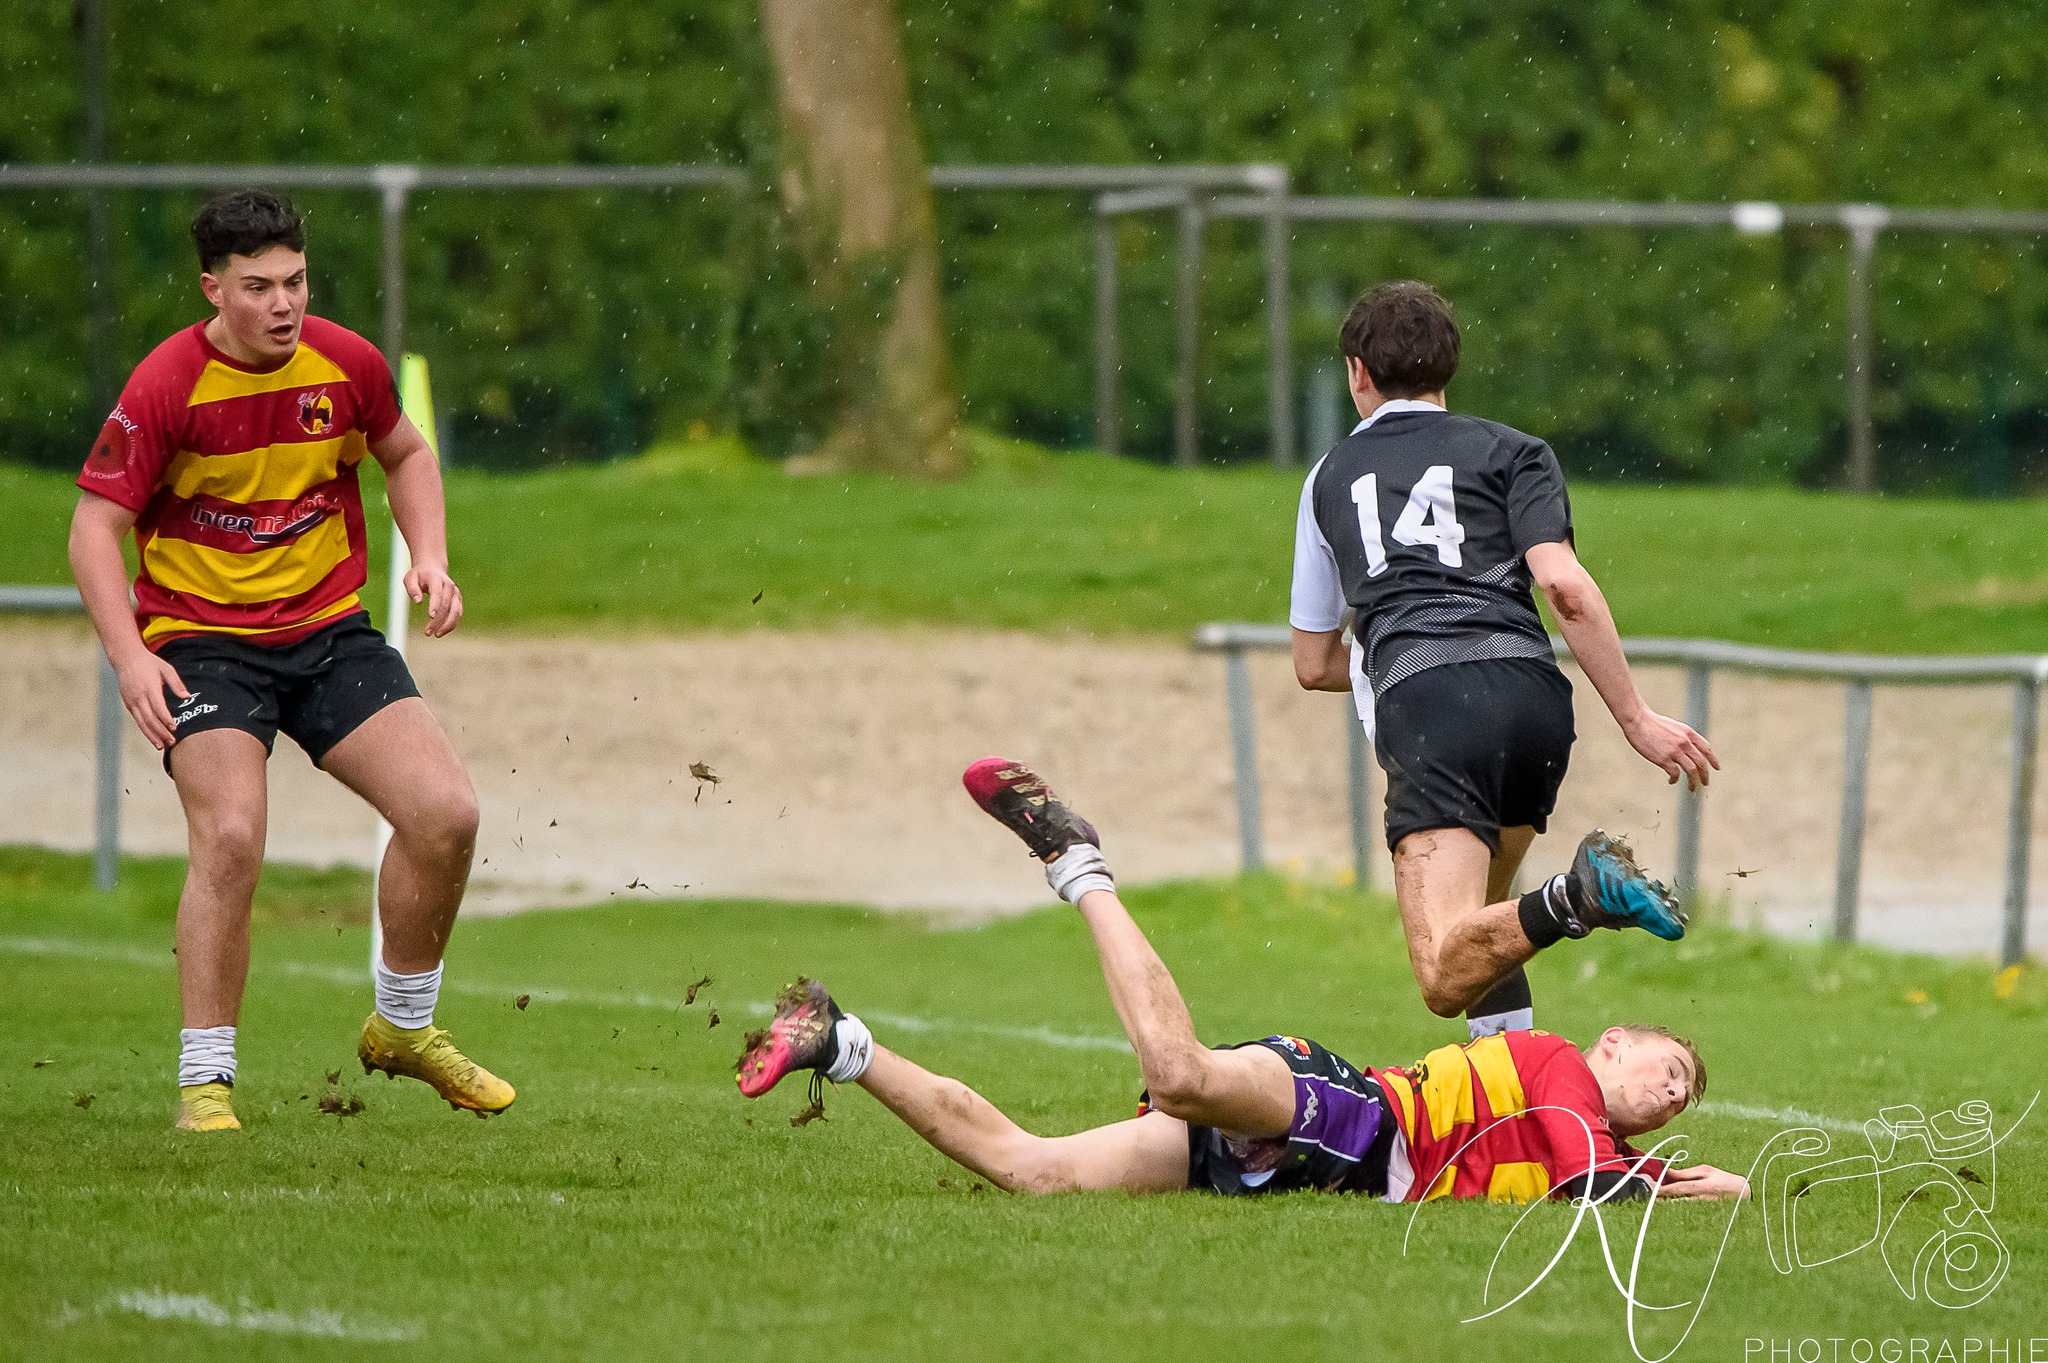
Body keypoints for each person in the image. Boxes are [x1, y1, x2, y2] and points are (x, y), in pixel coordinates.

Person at [735, 760, 1748, 1204]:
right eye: (1669, 1066)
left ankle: (836, 1037)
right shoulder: (1560, 1075)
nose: (1671, 1092)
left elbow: (1492, 983)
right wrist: (1714, 1186)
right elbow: (1592, 1183)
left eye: (1680, 1098)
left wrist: (1674, 1179)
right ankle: (1075, 862)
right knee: (1175, 1073)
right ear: (1611, 1037)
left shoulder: (1580, 1129)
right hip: (1349, 1120)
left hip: (1295, 1170)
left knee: (1030, 1172)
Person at [68, 189, 513, 1132]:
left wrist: (427, 555)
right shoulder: (165, 386)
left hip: (325, 632)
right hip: (200, 642)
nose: (284, 304)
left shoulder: (345, 363)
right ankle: (206, 1082)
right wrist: (128, 659)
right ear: (213, 290)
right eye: (259, 286)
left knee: (446, 815)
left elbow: (408, 455)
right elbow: (93, 528)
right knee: (230, 836)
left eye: (296, 281)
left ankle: (402, 1027)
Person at [1288, 281, 1719, 1040]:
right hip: (1533, 700)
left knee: (1440, 974)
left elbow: (1313, 660)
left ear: (1358, 372)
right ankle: (1516, 1109)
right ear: (1446, 368)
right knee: (1488, 924)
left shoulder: (1328, 476)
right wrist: (1636, 717)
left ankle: (1581, 894)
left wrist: (1393, 652)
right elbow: (1562, 585)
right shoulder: (1515, 451)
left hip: (1431, 708)